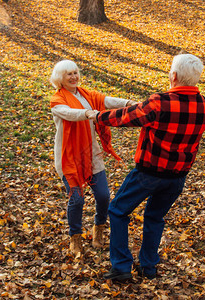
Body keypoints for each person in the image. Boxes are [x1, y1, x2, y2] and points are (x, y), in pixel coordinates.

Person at [88, 54, 205, 280]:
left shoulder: (161, 101)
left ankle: (122, 267)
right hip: (177, 177)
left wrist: (97, 116)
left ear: (173, 76)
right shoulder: (203, 105)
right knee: (154, 217)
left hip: (149, 173)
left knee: (117, 211)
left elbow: (126, 118)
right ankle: (149, 266)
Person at [49, 60, 136, 256]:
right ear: (60, 79)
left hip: (91, 154)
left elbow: (107, 101)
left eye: (75, 72)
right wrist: (89, 113)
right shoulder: (57, 100)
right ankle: (75, 238)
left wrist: (129, 104)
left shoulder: (86, 95)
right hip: (68, 157)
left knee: (104, 196)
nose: (73, 77)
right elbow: (69, 113)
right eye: (68, 74)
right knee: (77, 199)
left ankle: (98, 230)